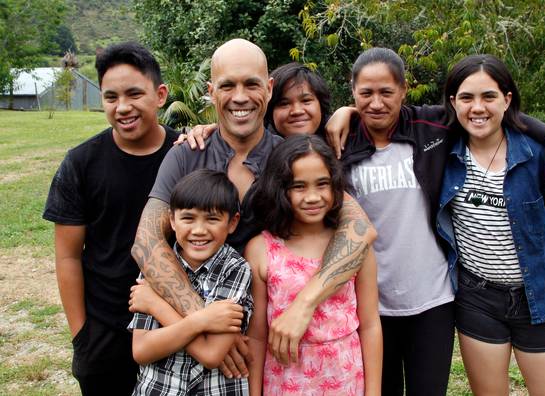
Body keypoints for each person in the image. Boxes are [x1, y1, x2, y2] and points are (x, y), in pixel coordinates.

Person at [327, 47, 545, 396]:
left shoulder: (430, 127)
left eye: (386, 92)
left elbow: (494, 114)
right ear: (353, 92)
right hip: (372, 301)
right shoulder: (341, 143)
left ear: (404, 89)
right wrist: (344, 113)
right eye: (365, 93)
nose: (376, 102)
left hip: (434, 300)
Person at [131, 39, 376, 379]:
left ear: (269, 87)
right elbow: (145, 241)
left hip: (273, 349)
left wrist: (305, 304)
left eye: (252, 84)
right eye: (227, 85)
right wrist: (209, 325)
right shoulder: (186, 154)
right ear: (211, 91)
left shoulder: (289, 158)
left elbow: (359, 229)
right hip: (187, 340)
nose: (240, 96)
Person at [436, 54, 545, 395]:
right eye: (466, 97)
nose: (478, 107)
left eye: (489, 96)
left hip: (541, 298)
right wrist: (347, 111)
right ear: (453, 102)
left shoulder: (541, 156)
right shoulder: (443, 153)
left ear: (506, 100)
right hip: (478, 301)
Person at [42, 42, 177, 394]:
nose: (123, 107)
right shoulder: (80, 163)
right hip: (105, 331)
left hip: (172, 325)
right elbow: (68, 255)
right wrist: (82, 336)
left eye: (135, 94)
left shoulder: (186, 156)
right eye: (111, 97)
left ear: (159, 95)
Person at [245, 135, 382, 395]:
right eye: (298, 186)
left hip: (346, 379)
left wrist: (373, 391)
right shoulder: (261, 250)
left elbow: (370, 324)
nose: (312, 197)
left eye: (322, 184)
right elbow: (257, 336)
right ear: (279, 188)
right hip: (284, 382)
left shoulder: (354, 246)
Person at [128, 170, 253, 395]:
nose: (198, 230)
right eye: (188, 218)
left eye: (212, 219)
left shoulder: (236, 269)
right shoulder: (156, 267)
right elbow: (141, 350)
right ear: (172, 220)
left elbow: (211, 355)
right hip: (159, 389)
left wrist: (156, 305)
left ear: (233, 222)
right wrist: (203, 320)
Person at [180, 62, 330, 149]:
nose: (297, 111)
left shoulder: (342, 141)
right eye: (284, 103)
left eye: (306, 101)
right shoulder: (263, 154)